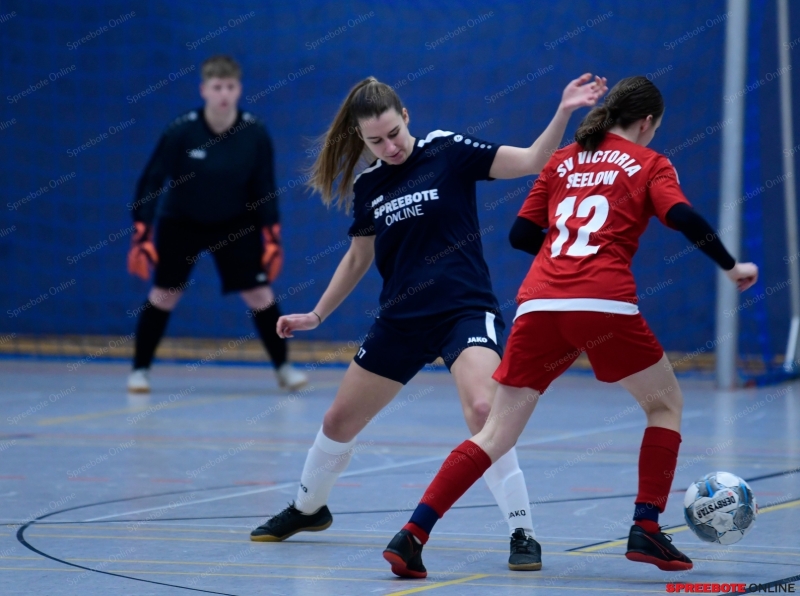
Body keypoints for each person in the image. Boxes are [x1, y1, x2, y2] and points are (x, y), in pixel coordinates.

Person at [383, 75, 759, 577]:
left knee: (494, 432)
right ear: (646, 123)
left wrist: (563, 268)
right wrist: (732, 266)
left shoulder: (563, 160)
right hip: (602, 303)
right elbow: (684, 217)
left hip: (539, 304)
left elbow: (520, 234)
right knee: (665, 404)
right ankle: (646, 527)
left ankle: (412, 535)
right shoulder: (650, 163)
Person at [249, 73, 608, 572]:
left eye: (394, 132)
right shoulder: (369, 184)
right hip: (401, 319)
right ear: (361, 139)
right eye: (375, 140)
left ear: (406, 118)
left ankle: (523, 531)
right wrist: (316, 313)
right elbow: (357, 259)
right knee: (337, 421)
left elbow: (531, 160)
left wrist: (564, 111)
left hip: (464, 310)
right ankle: (309, 509)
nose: (389, 146)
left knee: (486, 411)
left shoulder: (446, 150)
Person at [126, 55, 307, 393]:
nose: (224, 93)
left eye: (230, 86)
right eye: (216, 87)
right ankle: (139, 371)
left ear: (238, 89)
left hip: (235, 223)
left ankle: (284, 368)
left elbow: (265, 187)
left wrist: (272, 233)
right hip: (181, 221)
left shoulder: (254, 132)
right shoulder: (181, 130)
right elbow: (152, 180)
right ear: (204, 90)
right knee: (164, 294)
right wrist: (142, 229)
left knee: (259, 293)